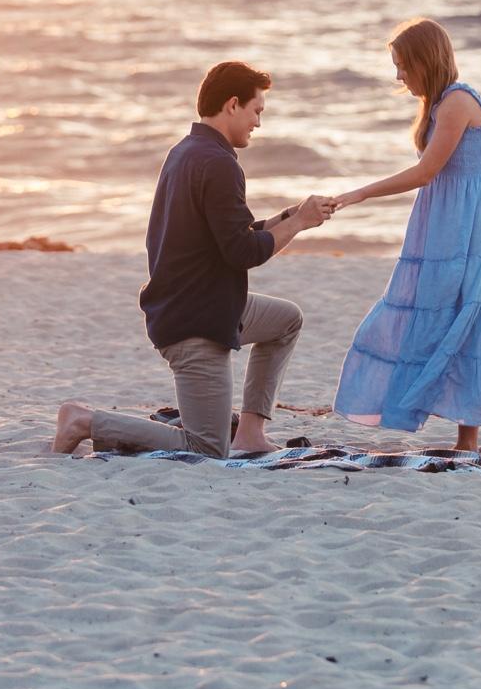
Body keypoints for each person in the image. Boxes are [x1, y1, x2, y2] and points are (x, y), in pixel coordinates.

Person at [52, 61, 334, 458]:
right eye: (257, 111)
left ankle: (250, 434)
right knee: (205, 447)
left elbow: (232, 235)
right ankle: (85, 421)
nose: (258, 123)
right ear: (233, 105)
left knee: (286, 320)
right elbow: (243, 253)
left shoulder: (187, 151)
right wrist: (301, 223)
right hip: (196, 323)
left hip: (206, 303)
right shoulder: (218, 163)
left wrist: (286, 217)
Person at [331, 18, 481, 461]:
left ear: (424, 60)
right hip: (442, 222)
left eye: (402, 65)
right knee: (450, 317)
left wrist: (360, 193)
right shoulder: (438, 105)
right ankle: (467, 440)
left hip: (467, 225)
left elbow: (426, 171)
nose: (398, 76)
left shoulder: (456, 102)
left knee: (473, 320)